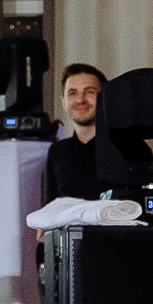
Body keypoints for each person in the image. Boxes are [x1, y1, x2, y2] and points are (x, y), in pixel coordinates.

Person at [45, 63, 108, 202]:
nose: (80, 100)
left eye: (90, 92)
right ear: (64, 102)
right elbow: (51, 210)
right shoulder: (57, 152)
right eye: (72, 93)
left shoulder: (129, 147)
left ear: (105, 98)